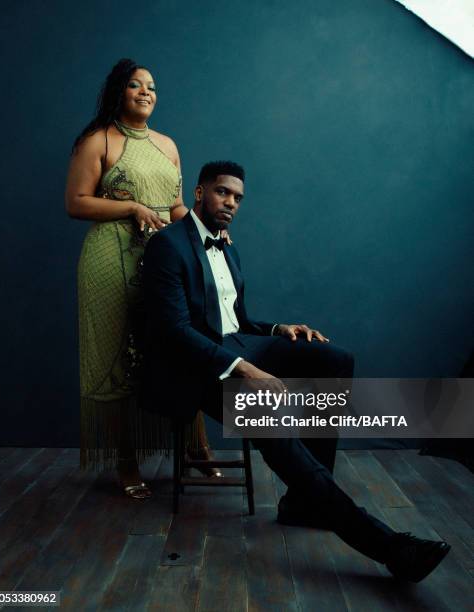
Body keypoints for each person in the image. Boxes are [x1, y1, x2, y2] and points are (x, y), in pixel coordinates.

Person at [141, 160, 450, 582]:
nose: (231, 202)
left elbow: (235, 320)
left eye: (237, 197)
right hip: (197, 366)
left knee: (334, 359)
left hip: (236, 344)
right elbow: (174, 332)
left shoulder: (226, 245)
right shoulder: (168, 245)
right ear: (199, 193)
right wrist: (244, 368)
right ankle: (390, 548)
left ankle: (304, 502)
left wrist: (277, 330)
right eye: (222, 192)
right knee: (272, 423)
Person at [65, 59, 220, 499]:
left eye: (151, 86)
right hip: (109, 259)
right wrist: (131, 208)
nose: (146, 92)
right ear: (119, 91)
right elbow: (76, 202)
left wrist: (205, 232)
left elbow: (173, 208)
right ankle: (125, 461)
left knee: (181, 347)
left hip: (163, 260)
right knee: (114, 359)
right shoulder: (98, 141)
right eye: (135, 85)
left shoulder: (167, 146)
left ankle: (197, 450)